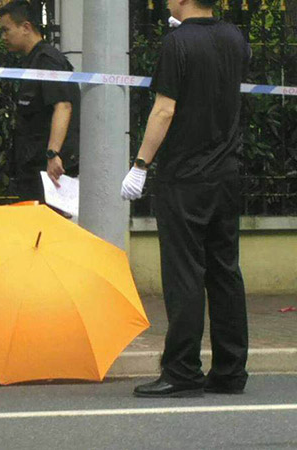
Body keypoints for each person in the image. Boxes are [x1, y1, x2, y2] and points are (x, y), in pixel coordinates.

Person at [121, 0, 250, 398]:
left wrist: (141, 163)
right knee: (225, 271)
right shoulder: (236, 38)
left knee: (185, 273)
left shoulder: (175, 44)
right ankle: (230, 370)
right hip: (226, 172)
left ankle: (182, 371)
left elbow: (164, 109)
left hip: (185, 176)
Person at [0, 0, 80, 203]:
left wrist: (53, 154)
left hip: (49, 171)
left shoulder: (47, 60)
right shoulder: (31, 60)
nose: (3, 37)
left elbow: (63, 106)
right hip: (34, 168)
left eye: (6, 30)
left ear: (26, 27)